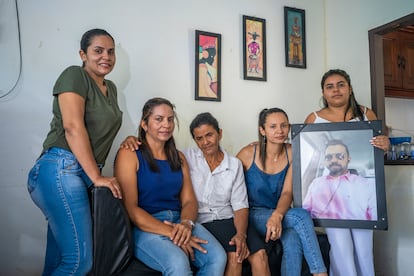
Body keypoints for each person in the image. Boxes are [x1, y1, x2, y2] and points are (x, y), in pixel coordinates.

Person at [27, 29, 123, 275]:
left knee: (59, 261)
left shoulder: (110, 88)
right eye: (98, 51)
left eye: (111, 51)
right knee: (79, 262)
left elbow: (102, 128)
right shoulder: (74, 75)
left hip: (80, 175)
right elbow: (72, 127)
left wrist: (130, 138)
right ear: (83, 54)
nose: (106, 57)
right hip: (61, 168)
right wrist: (97, 177)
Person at [114, 98, 226, 275]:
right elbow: (131, 210)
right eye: (158, 119)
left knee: (217, 257)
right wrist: (174, 233)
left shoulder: (179, 157)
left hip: (179, 221)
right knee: (178, 263)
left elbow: (189, 201)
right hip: (146, 226)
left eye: (170, 119)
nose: (166, 124)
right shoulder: (129, 154)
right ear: (144, 124)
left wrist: (186, 224)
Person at [304, 68, 390, 276]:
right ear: (323, 92)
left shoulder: (366, 114)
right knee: (340, 250)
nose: (336, 90)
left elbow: (379, 152)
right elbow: (305, 156)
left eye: (341, 85)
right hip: (332, 210)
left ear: (350, 89)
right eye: (330, 86)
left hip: (359, 209)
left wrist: (385, 145)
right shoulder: (313, 119)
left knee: (364, 251)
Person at [236, 108, 328, 276]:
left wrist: (277, 216)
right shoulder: (248, 153)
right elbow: (231, 187)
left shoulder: (293, 152)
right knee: (300, 216)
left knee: (292, 238)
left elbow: (287, 193)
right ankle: (320, 273)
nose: (279, 131)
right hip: (252, 214)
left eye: (284, 125)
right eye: (273, 126)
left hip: (279, 214)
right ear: (262, 131)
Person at [186, 112, 270, 276]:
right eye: (199, 138)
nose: (205, 142)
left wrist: (241, 234)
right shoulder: (187, 157)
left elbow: (240, 206)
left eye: (209, 135)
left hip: (230, 219)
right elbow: (159, 149)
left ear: (220, 133)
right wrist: (132, 140)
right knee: (235, 256)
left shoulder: (234, 165)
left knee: (260, 256)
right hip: (203, 221)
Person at [303, 139, 377, 220]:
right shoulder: (316, 183)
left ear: (348, 159)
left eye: (340, 156)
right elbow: (304, 212)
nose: (334, 160)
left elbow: (374, 217)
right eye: (329, 157)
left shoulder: (366, 184)